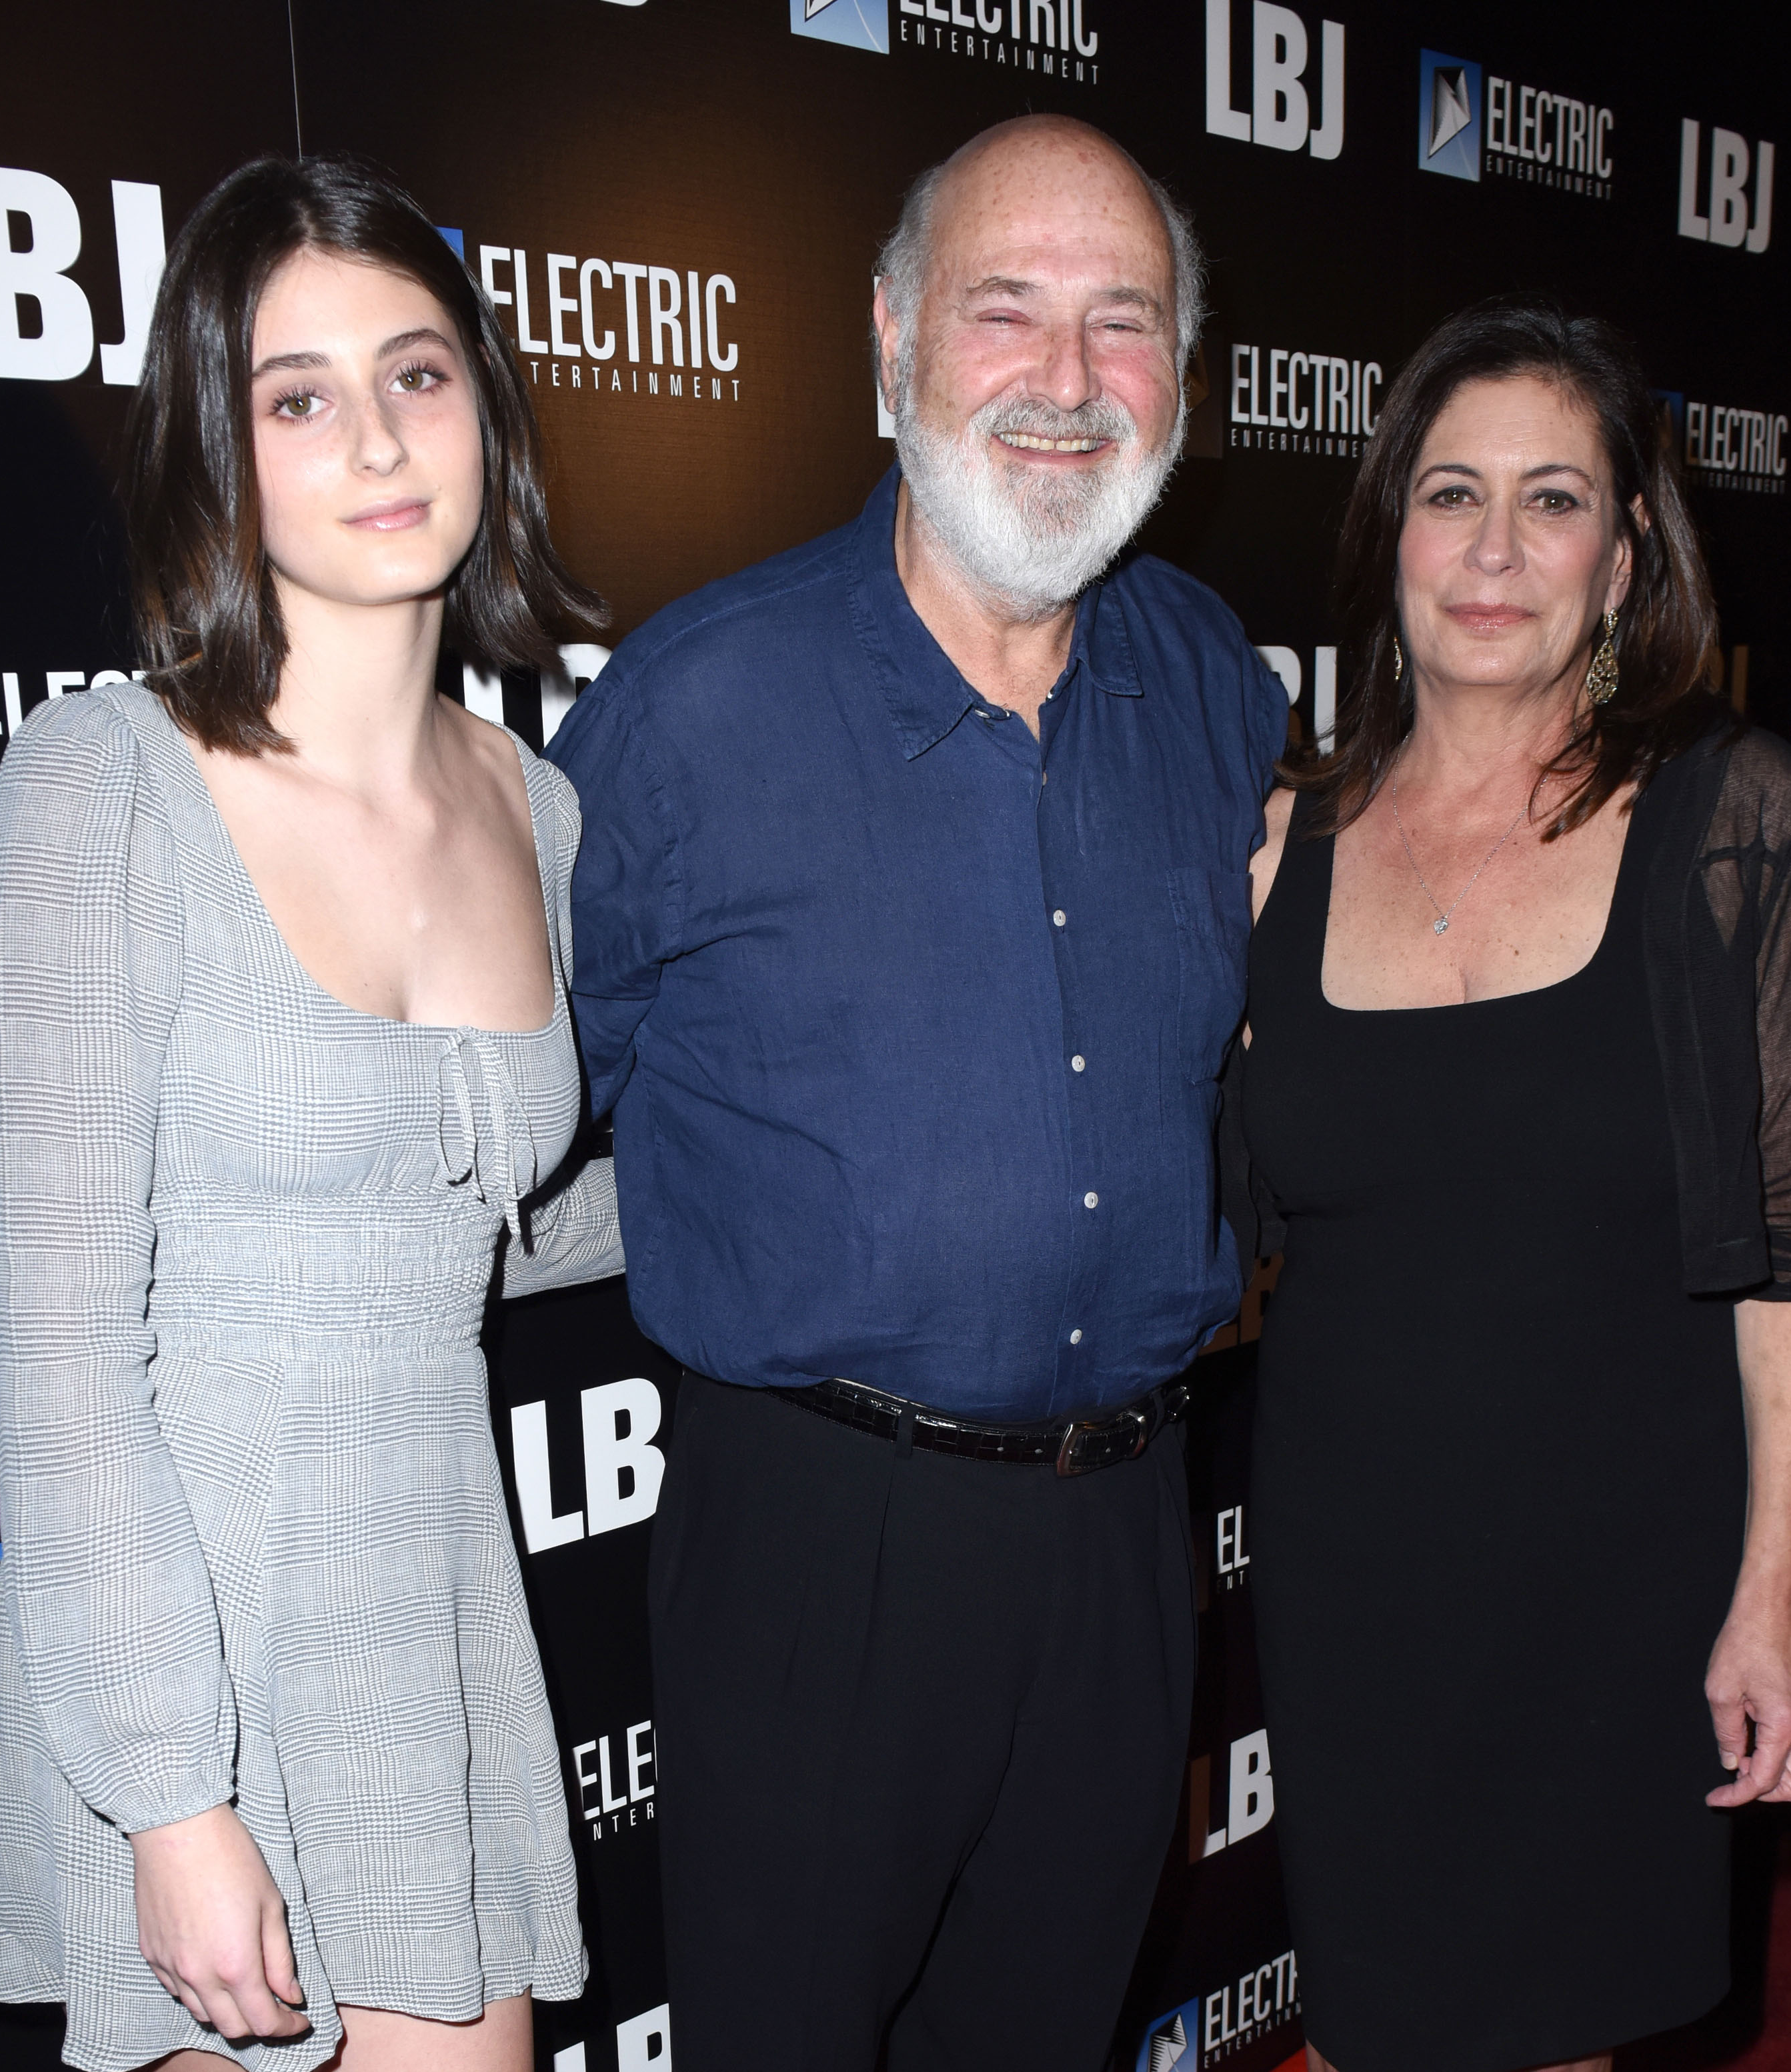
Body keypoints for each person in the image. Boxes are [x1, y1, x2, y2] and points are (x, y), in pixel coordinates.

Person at [547, 115, 1285, 2071]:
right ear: (887, 342)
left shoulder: (1214, 683)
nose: (1063, 382)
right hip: (816, 1550)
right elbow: (526, 1120)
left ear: (1183, 383)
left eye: (1121, 324)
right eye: (1004, 311)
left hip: (1127, 1537)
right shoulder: (693, 710)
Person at [0, 155, 619, 2072]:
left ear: (485, 404)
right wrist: (168, 1792)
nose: (377, 438)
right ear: (219, 450)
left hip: (430, 1613)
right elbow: (62, 1356)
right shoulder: (105, 787)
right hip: (185, 1623)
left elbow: (494, 1205)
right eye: (297, 396)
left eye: (417, 373)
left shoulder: (534, 811)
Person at [1238, 295, 1791, 2072]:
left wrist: (1767, 1592)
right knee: (1367, 2025)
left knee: (1555, 2034)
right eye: (1449, 494)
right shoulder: (1284, 841)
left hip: (1613, 1568)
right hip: (1356, 1567)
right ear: (1388, 537)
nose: (1493, 549)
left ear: (1624, 551)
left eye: (1551, 499)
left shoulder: (1726, 818)